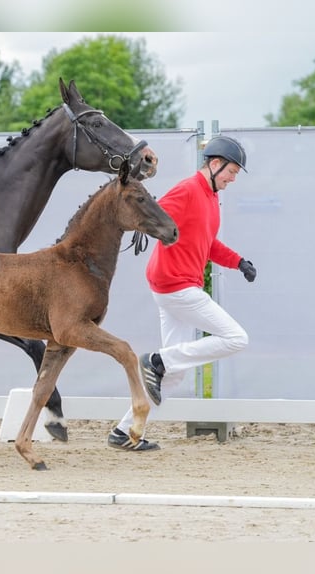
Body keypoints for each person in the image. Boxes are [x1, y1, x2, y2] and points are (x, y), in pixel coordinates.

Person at [108, 135, 257, 451]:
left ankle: (123, 432)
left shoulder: (211, 198)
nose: (233, 179)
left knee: (173, 376)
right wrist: (142, 232)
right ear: (215, 164)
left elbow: (209, 243)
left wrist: (238, 262)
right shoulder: (189, 189)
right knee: (236, 338)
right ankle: (157, 359)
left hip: (177, 285)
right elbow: (155, 213)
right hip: (176, 284)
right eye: (232, 172)